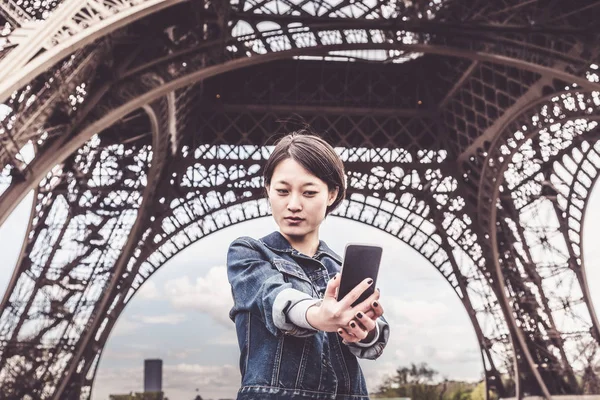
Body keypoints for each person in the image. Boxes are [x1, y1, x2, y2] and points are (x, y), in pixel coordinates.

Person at [227, 131, 390, 400]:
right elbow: (276, 299)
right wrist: (319, 315)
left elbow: (374, 338)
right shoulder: (247, 253)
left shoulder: (343, 267)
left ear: (332, 193)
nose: (293, 204)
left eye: (309, 192)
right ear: (268, 190)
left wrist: (366, 331)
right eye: (282, 191)